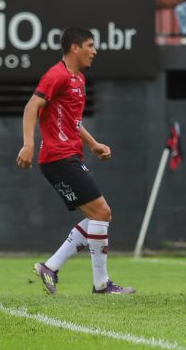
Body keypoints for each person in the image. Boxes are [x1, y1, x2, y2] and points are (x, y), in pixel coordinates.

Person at [17, 27, 135, 295]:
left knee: (98, 216)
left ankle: (51, 267)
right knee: (102, 212)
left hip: (68, 155)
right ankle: (101, 284)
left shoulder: (78, 80)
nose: (94, 51)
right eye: (90, 45)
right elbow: (31, 106)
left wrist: (92, 143)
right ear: (74, 48)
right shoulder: (56, 75)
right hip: (57, 156)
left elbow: (73, 121)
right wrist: (28, 143)